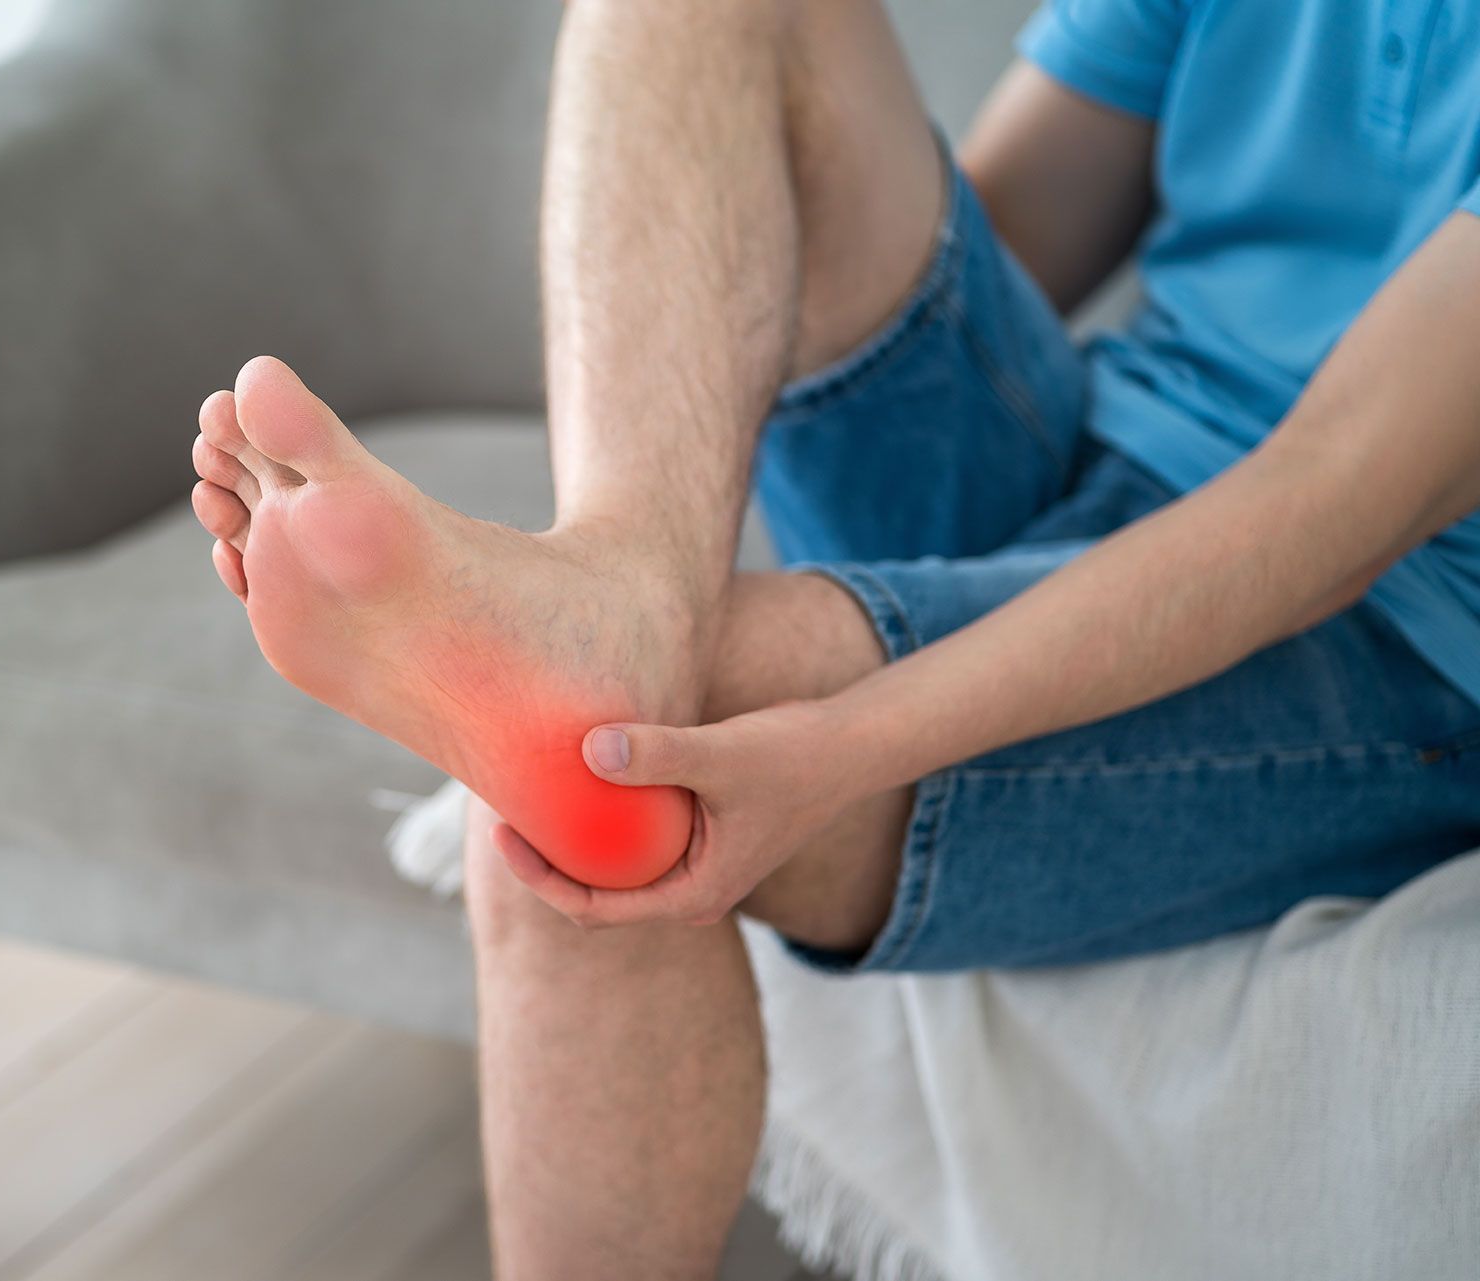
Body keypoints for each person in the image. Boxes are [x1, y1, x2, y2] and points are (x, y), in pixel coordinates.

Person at [191, 1, 1480, 1274]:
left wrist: (845, 740)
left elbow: (1326, 508)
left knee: (600, 772)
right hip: (1100, 437)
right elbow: (986, 245)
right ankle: (620, 584)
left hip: (1390, 622)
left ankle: (618, 639)